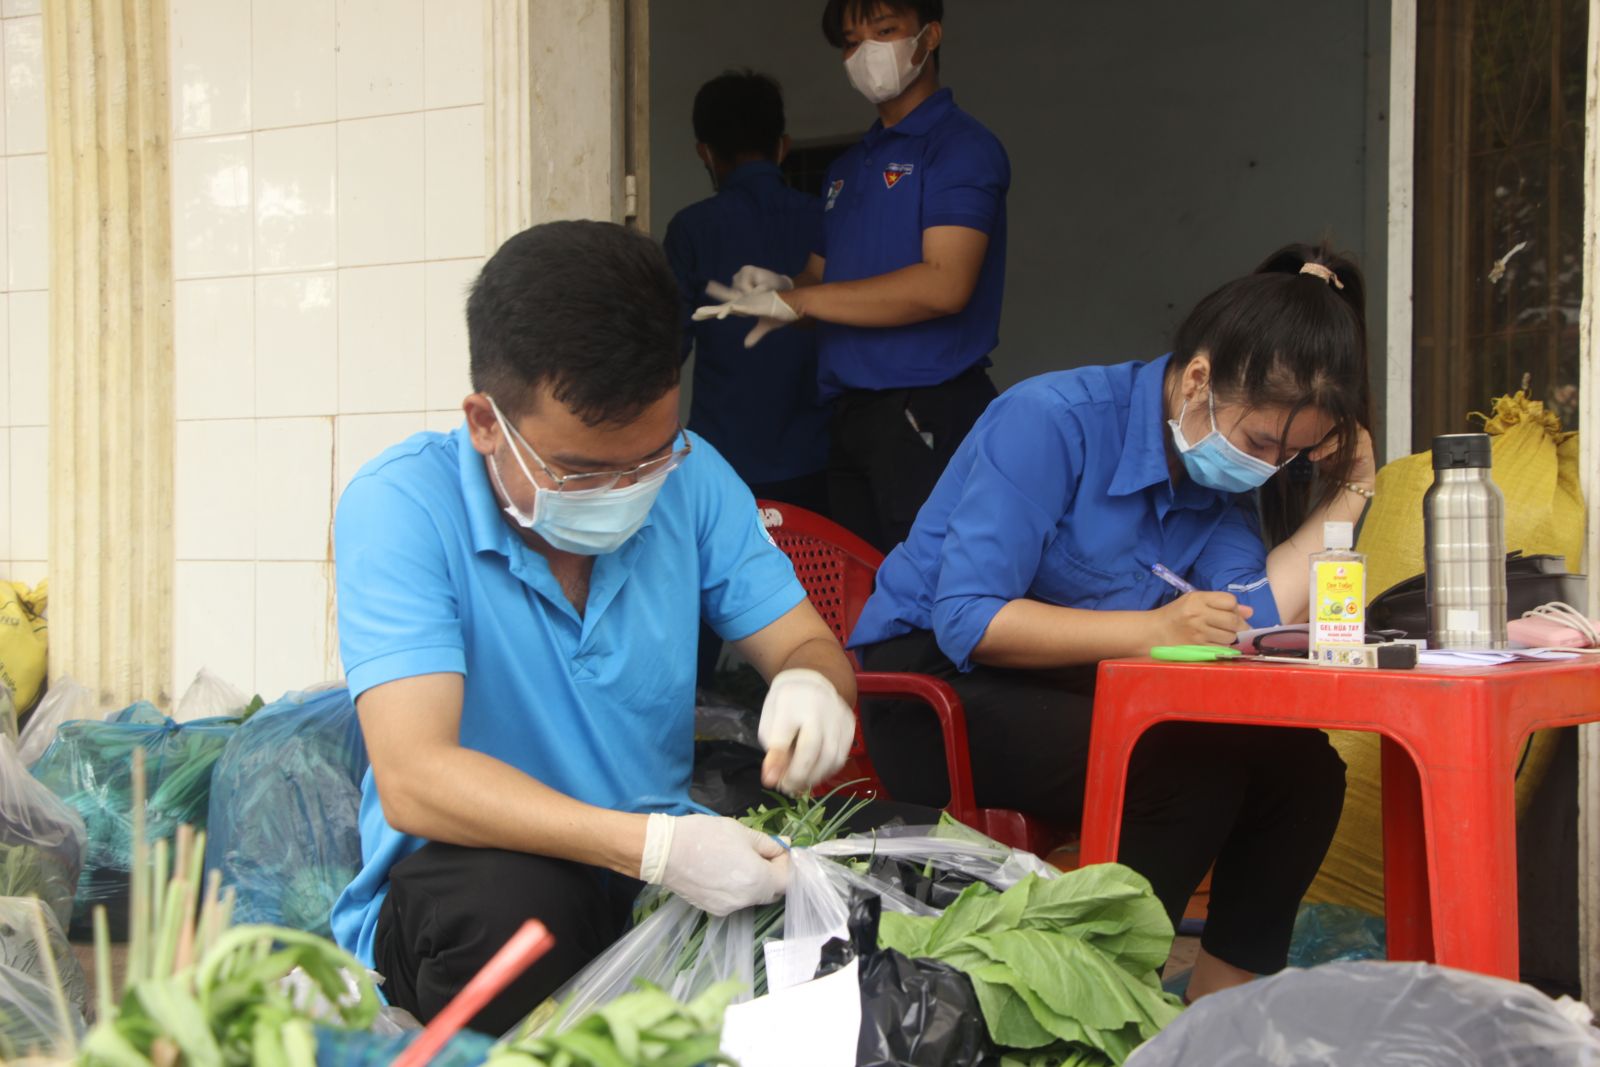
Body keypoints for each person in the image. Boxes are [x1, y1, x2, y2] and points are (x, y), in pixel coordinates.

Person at [328, 221, 862, 1033]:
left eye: (651, 458)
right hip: (478, 887)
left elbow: (804, 641)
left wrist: (812, 683)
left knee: (866, 875)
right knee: (513, 912)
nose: (627, 489)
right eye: (581, 471)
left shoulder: (693, 478)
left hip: (656, 871)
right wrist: (656, 848)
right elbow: (416, 776)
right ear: (485, 421)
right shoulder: (403, 505)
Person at [848, 243, 1374, 1000]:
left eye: (1287, 457)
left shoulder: (1216, 481)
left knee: (1305, 769)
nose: (1264, 467)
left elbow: (1249, 619)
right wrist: (1154, 632)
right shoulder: (1050, 420)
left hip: (1072, 683)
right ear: (1197, 380)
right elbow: (968, 620)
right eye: (1260, 443)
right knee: (1183, 765)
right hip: (931, 688)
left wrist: (1351, 493)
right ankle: (1095, 1003)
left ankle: (1216, 1012)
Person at [696, 0, 1010, 553]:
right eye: (851, 41)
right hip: (849, 417)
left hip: (924, 408)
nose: (868, 52)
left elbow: (945, 284)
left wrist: (803, 302)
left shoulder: (959, 147)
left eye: (885, 31)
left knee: (929, 584)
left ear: (929, 36)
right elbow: (818, 279)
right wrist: (782, 291)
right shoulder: (848, 168)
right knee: (860, 583)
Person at [664, 69, 832, 516]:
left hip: (721, 460)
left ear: (705, 152)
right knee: (817, 559)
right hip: (819, 454)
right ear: (783, 146)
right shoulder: (823, 217)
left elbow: (665, 350)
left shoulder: (691, 228)